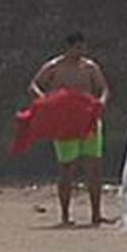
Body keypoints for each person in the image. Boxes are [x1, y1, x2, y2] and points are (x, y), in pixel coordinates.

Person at [28, 32, 112, 227]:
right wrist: (46, 101)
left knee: (94, 168)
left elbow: (104, 89)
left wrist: (101, 103)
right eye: (78, 48)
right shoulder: (54, 67)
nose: (82, 52)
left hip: (88, 121)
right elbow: (34, 85)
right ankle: (65, 216)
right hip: (65, 122)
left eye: (84, 48)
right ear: (69, 47)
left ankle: (96, 214)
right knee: (67, 168)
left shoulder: (90, 67)